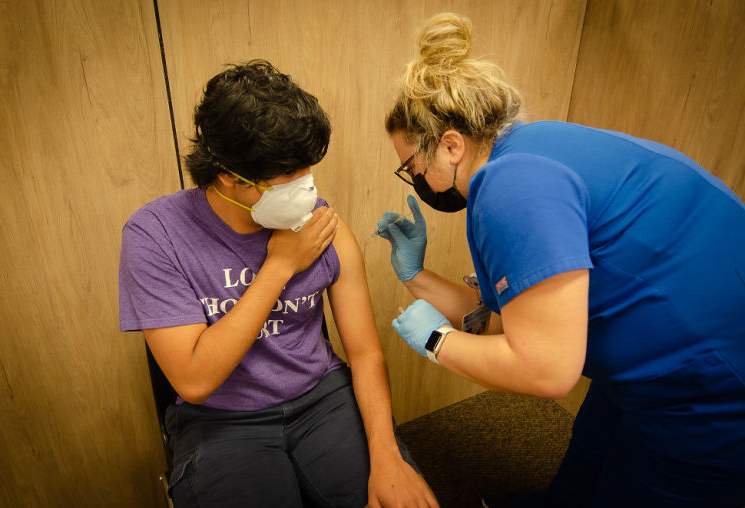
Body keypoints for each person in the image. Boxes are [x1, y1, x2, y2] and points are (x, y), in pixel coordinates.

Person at [377, 13, 745, 508]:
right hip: (664, 338)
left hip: (713, 381)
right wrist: (416, 275)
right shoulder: (531, 147)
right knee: (592, 446)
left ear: (450, 144)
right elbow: (510, 323)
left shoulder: (508, 188)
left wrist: (436, 342)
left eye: (411, 166)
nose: (415, 178)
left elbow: (545, 370)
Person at [119, 60, 438, 508]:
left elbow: (364, 352)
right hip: (220, 420)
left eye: (306, 169)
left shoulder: (323, 225)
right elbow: (194, 380)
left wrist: (386, 458)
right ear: (230, 175)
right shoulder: (155, 236)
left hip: (323, 399)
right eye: (288, 175)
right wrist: (278, 267)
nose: (305, 187)